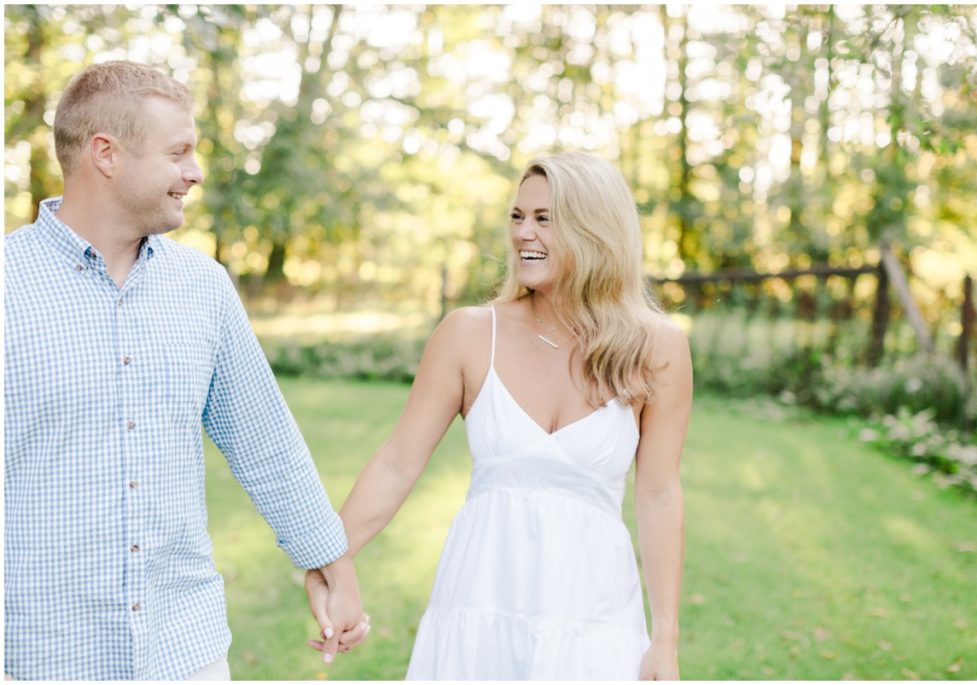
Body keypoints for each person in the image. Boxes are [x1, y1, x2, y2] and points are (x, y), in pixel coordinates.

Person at [3, 61, 367, 680]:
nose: (195, 173)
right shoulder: (8, 285)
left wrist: (332, 565)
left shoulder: (203, 288)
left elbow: (265, 441)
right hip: (41, 654)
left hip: (185, 652)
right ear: (106, 154)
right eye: (179, 153)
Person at [307, 151, 692, 679]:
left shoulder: (658, 348)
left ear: (596, 230)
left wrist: (664, 636)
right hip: (477, 606)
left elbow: (658, 494)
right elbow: (397, 463)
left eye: (544, 218)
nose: (522, 234)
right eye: (517, 217)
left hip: (595, 615)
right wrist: (330, 560)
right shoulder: (468, 333)